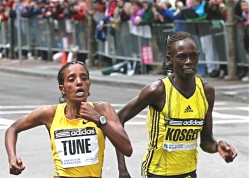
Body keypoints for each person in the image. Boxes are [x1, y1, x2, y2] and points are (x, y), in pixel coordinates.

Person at [116, 31, 237, 178]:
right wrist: (122, 169)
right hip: (157, 173)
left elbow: (206, 142)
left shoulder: (206, 92)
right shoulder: (158, 91)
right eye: (181, 57)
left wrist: (218, 146)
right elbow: (118, 119)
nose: (188, 61)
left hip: (189, 173)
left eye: (193, 56)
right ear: (170, 59)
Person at [5, 61, 133, 177]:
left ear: (89, 85)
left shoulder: (102, 110)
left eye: (84, 78)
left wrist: (99, 120)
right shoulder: (50, 114)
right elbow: (13, 129)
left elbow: (127, 149)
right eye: (71, 79)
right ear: (62, 89)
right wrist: (12, 157)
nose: (79, 82)